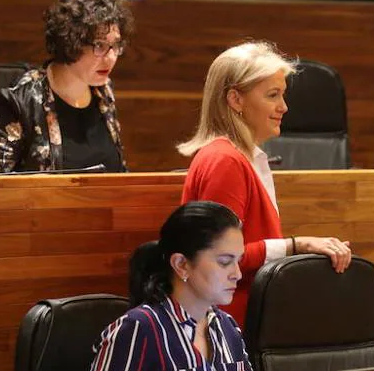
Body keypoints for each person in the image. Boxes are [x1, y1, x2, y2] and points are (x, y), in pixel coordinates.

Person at [178, 41, 352, 327]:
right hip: (227, 329)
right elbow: (220, 256)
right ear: (236, 100)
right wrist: (297, 245)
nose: (284, 107)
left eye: (282, 95)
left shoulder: (241, 157)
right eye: (272, 95)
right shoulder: (225, 161)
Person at [91, 201, 252, 371]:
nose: (237, 274)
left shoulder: (227, 326)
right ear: (181, 264)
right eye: (225, 262)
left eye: (238, 261)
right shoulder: (138, 329)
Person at [0, 0, 133, 173]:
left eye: (115, 45)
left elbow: (118, 172)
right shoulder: (21, 99)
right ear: (70, 43)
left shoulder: (103, 90)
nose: (111, 58)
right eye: (99, 45)